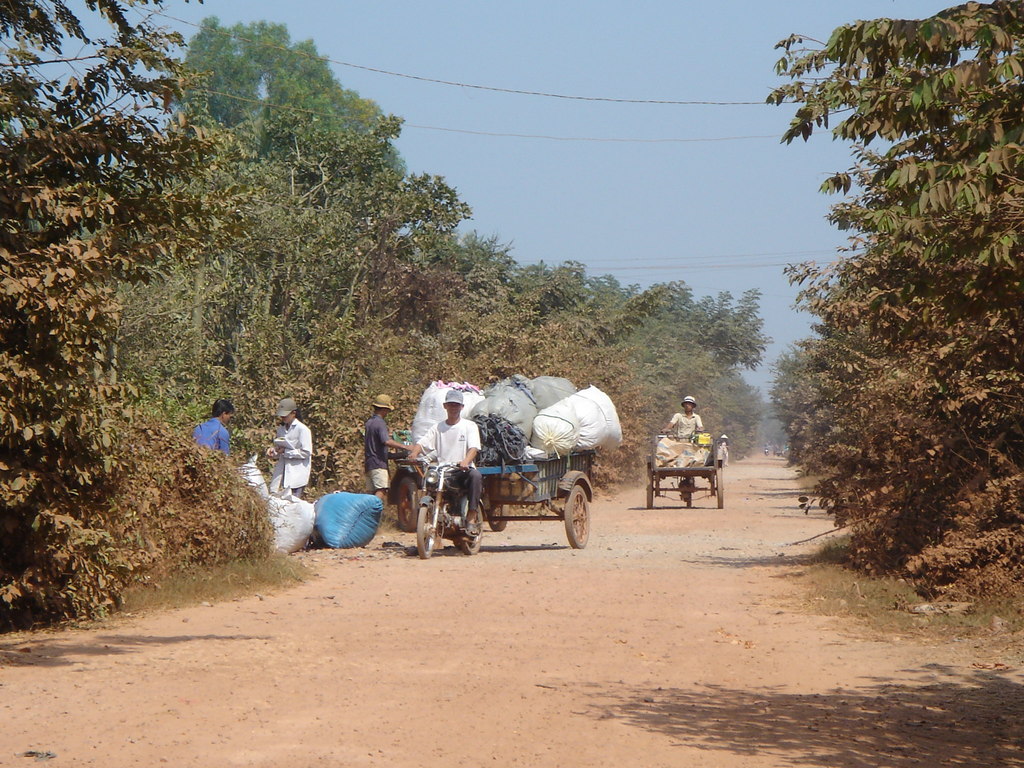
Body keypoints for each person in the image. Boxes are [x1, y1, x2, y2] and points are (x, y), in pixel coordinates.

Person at [405, 389, 483, 534]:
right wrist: (414, 453)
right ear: (445, 406)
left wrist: (465, 461)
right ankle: (433, 513)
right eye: (451, 405)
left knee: (476, 476)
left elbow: (474, 448)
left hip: (462, 471)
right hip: (443, 472)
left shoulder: (469, 426)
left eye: (457, 405)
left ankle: (471, 517)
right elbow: (423, 443)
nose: (454, 408)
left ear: (462, 407)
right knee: (428, 483)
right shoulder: (437, 427)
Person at [364, 394, 408, 502]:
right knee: (381, 490)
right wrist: (405, 446)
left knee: (371, 492)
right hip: (378, 463)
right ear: (384, 410)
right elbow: (386, 441)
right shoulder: (380, 423)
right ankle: (372, 512)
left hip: (369, 463)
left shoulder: (369, 422)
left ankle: (367, 515)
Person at [268, 397, 312, 498]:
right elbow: (279, 450)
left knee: (293, 504)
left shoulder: (303, 430)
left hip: (296, 474)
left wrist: (287, 452)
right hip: (282, 473)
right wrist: (273, 451)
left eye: (286, 415)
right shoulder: (281, 429)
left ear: (293, 413)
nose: (283, 418)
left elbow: (306, 452)